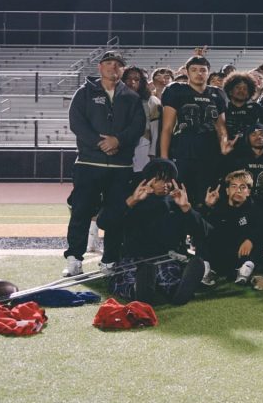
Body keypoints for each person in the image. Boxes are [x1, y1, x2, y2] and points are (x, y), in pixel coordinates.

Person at [64, 51, 146, 276]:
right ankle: (74, 258)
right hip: (89, 163)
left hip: (120, 167)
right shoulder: (83, 93)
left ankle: (110, 259)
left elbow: (138, 126)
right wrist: (101, 143)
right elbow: (76, 123)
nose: (113, 68)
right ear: (100, 67)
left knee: (116, 214)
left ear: (122, 69)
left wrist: (118, 140)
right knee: (81, 211)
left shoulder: (131, 97)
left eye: (118, 65)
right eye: (108, 63)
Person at [99, 159, 206, 305]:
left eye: (169, 180)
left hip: (166, 257)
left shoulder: (177, 203)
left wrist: (187, 208)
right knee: (128, 279)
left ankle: (177, 293)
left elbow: (203, 232)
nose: (166, 185)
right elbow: (104, 222)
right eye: (160, 180)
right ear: (149, 181)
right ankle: (138, 291)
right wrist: (132, 201)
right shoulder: (133, 199)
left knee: (169, 277)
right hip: (135, 258)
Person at [159, 55, 233, 208]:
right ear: (187, 72)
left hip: (210, 154)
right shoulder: (175, 90)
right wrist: (164, 159)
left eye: (202, 70)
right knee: (180, 199)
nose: (199, 73)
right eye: (194, 70)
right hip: (183, 152)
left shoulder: (218, 94)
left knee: (205, 200)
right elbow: (166, 128)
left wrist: (224, 144)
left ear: (208, 72)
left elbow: (221, 127)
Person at [198, 170, 263, 286]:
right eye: (234, 186)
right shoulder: (218, 208)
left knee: (260, 239)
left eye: (243, 187)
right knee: (204, 235)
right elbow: (200, 228)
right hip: (221, 255)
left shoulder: (255, 208)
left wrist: (251, 240)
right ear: (227, 191)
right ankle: (206, 272)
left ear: (248, 192)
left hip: (243, 255)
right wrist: (207, 206)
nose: (238, 190)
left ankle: (245, 270)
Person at [121, 66, 160, 172]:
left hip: (143, 147)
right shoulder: (117, 99)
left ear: (142, 82)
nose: (132, 82)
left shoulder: (151, 101)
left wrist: (153, 152)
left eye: (137, 79)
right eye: (128, 79)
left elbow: (155, 130)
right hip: (121, 148)